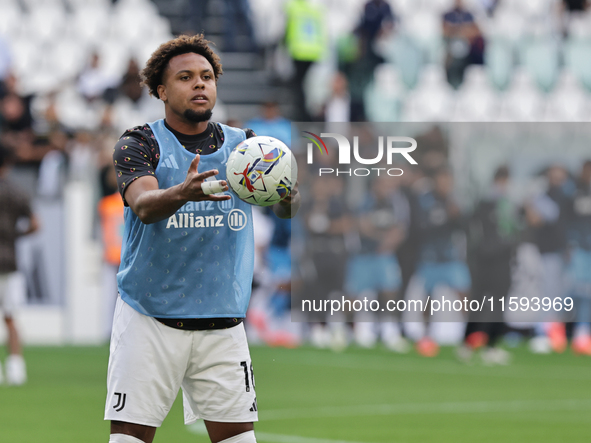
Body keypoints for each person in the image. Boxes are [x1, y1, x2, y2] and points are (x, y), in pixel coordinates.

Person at [105, 34, 300, 443]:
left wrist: (286, 199)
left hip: (222, 323)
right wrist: (182, 192)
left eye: (207, 76)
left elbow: (283, 211)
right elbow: (143, 204)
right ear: (160, 90)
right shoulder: (138, 143)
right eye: (186, 77)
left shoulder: (246, 147)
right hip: (149, 318)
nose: (199, 84)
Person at [0, 145, 39, 385]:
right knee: (11, 316)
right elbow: (35, 224)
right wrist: (16, 236)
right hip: (9, 259)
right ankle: (16, 368)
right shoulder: (16, 192)